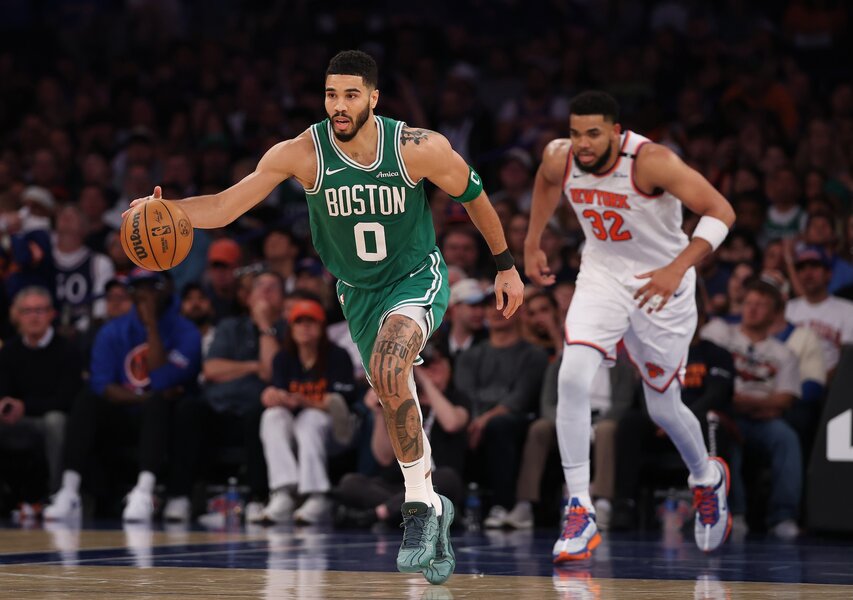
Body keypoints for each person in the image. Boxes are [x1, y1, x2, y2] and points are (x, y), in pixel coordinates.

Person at [127, 50, 524, 585]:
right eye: (332, 94)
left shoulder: (415, 148)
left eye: (351, 95)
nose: (339, 105)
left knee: (388, 370)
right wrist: (169, 211)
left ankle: (417, 508)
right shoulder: (302, 152)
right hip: (356, 292)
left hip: (413, 278)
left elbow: (474, 195)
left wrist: (505, 266)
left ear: (374, 98)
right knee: (392, 390)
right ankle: (432, 503)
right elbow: (224, 207)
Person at [524, 91, 736, 560]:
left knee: (662, 406)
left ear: (616, 133)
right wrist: (533, 240)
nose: (582, 143)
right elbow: (544, 181)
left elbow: (721, 211)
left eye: (594, 133)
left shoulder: (653, 161)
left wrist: (678, 268)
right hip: (602, 274)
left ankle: (706, 476)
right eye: (576, 132)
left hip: (663, 282)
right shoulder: (561, 156)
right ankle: (579, 509)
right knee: (573, 377)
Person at [43, 269, 201, 522]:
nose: (144, 294)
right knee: (87, 400)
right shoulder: (113, 331)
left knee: (178, 407)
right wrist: (144, 398)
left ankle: (147, 492)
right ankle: (69, 491)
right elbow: (102, 385)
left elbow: (160, 379)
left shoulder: (186, 331)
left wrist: (151, 327)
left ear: (167, 289)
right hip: (126, 415)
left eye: (152, 287)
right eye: (138, 288)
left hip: (167, 420)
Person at [701, 281, 802, 539]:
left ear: (776, 314)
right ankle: (735, 515)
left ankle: (783, 516)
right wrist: (752, 403)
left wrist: (753, 403)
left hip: (762, 422)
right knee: (724, 434)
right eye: (749, 303)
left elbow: (784, 400)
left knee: (786, 438)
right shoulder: (721, 334)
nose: (752, 309)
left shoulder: (784, 353)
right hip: (726, 414)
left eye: (761, 305)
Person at [256, 297, 356, 524]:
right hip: (296, 428)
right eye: (299, 322)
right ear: (291, 328)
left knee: (310, 419)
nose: (305, 327)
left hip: (335, 432)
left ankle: (317, 494)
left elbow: (343, 402)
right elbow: (281, 393)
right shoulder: (283, 358)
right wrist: (273, 395)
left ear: (322, 327)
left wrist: (305, 402)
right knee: (271, 416)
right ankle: (283, 491)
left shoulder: (337, 356)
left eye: (311, 322)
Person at [0, 287, 83, 500]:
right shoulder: (9, 350)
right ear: (17, 316)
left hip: (51, 422)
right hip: (17, 422)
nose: (34, 316)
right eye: (27, 311)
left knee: (55, 421)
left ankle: (59, 495)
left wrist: (25, 407)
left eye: (40, 310)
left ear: (51, 314)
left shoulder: (68, 350)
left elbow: (67, 399)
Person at [785, 245, 853, 377]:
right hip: (790, 383)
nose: (808, 273)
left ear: (828, 274)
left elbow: (847, 359)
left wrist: (821, 382)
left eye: (814, 266)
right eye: (802, 268)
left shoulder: (848, 310)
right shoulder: (787, 309)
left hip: (832, 387)